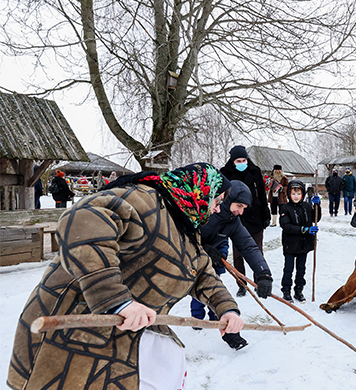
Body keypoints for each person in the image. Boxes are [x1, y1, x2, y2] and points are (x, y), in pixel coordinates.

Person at [8, 163, 243, 390]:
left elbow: (202, 272)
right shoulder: (144, 200)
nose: (217, 208)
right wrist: (116, 301)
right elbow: (84, 220)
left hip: (126, 340)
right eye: (217, 199)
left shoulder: (186, 229)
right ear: (200, 189)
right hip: (75, 332)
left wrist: (227, 309)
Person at [196, 180, 274, 349]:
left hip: (206, 264)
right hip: (182, 262)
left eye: (244, 208)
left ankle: (231, 334)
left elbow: (249, 246)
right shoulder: (206, 210)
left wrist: (263, 274)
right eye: (239, 205)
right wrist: (203, 248)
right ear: (226, 199)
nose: (240, 211)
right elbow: (182, 235)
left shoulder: (233, 221)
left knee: (218, 295)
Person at [220, 145, 272, 297]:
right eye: (238, 160)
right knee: (238, 255)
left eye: (244, 160)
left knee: (257, 251)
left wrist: (266, 214)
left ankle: (259, 282)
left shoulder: (255, 171)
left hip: (256, 218)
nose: (242, 162)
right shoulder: (225, 173)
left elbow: (262, 194)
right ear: (232, 160)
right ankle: (241, 284)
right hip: (236, 219)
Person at [279, 180, 322, 303]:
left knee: (301, 269)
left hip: (304, 244)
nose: (296, 196)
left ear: (302, 194)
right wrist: (305, 229)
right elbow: (286, 226)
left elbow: (316, 217)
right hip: (290, 245)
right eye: (293, 194)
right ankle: (286, 291)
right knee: (288, 269)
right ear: (289, 194)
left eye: (298, 194)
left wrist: (316, 206)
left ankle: (299, 290)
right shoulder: (285, 208)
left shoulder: (307, 207)